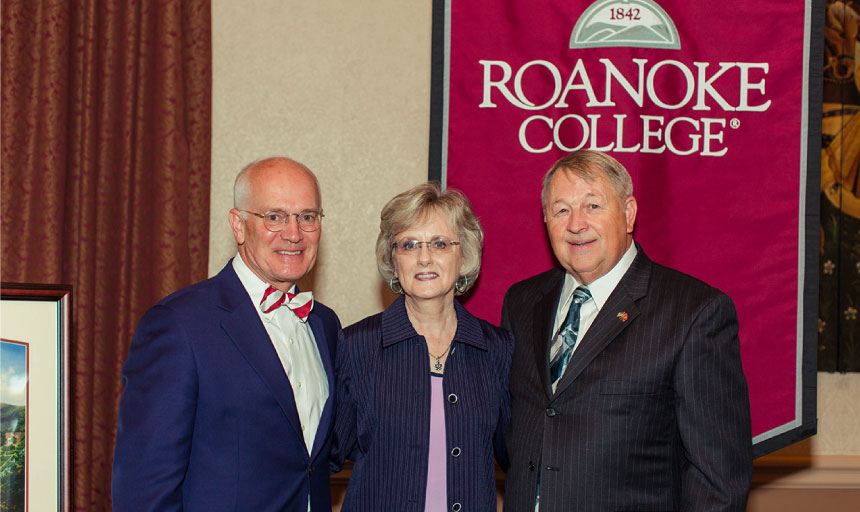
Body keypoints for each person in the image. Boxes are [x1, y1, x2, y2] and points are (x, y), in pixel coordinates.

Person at [501, 150, 752, 511]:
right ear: (545, 220)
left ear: (629, 213)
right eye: (561, 210)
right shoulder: (522, 303)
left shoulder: (695, 313)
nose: (576, 224)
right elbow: (513, 432)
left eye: (592, 206)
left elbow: (719, 481)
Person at [112, 157, 341, 511]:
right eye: (275, 216)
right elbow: (145, 489)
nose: (294, 233)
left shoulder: (324, 324)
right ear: (238, 225)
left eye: (307, 217)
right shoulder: (179, 325)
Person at [331, 183, 513, 511]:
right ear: (393, 259)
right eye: (409, 245)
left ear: (465, 255)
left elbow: (514, 456)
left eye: (440, 244)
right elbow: (325, 457)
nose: (424, 258)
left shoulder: (497, 349)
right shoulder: (356, 345)